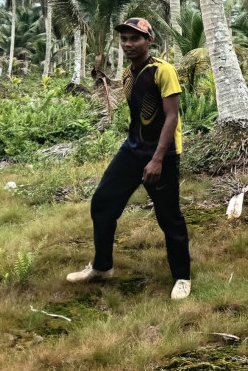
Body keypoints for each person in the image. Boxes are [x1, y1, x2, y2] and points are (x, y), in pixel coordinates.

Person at [66, 18, 192, 300]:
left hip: (163, 153)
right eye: (124, 39)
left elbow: (172, 117)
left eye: (135, 38)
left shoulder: (163, 71)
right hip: (133, 149)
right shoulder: (127, 74)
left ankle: (182, 277)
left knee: (168, 216)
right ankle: (102, 267)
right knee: (102, 203)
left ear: (149, 40)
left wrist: (157, 159)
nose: (128, 44)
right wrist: (137, 149)